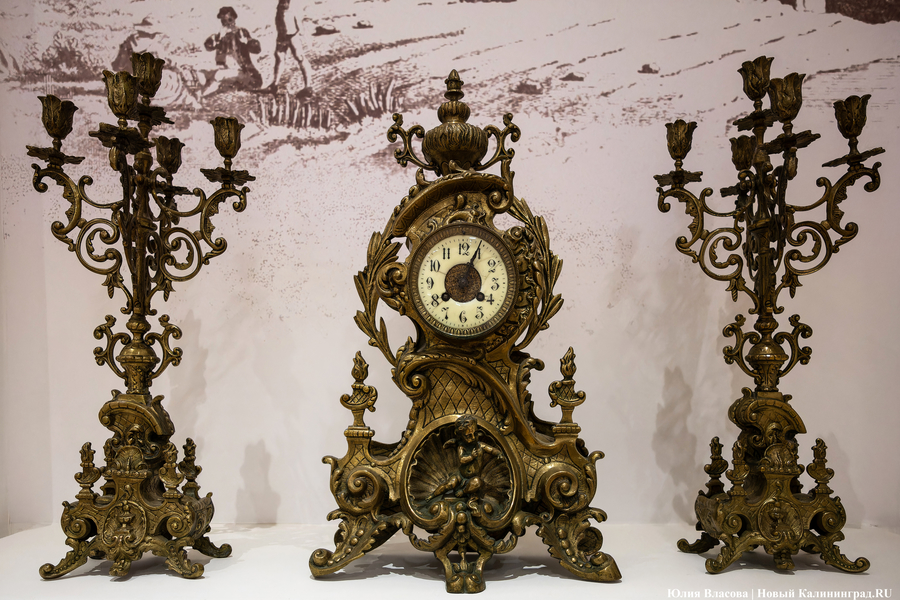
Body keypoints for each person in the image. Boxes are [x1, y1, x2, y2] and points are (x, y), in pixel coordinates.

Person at [202, 6, 262, 96]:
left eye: (229, 20)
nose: (227, 24)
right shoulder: (220, 36)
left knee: (218, 75)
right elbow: (208, 46)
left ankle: (203, 96)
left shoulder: (241, 32)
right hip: (226, 71)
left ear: (234, 19)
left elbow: (257, 50)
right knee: (204, 75)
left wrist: (248, 42)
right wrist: (218, 39)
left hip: (244, 73)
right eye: (224, 22)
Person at [269, 0, 310, 93]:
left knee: (299, 57)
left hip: (292, 35)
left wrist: (297, 34)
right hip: (282, 35)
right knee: (279, 58)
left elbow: (298, 26)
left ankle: (308, 85)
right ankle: (275, 84)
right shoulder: (279, 10)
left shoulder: (292, 10)